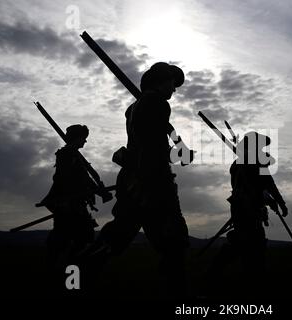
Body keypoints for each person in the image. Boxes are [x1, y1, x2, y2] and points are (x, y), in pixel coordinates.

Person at [86, 62, 192, 297]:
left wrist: (178, 151)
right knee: (175, 239)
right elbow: (152, 148)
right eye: (172, 84)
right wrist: (173, 159)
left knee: (119, 234)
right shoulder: (158, 104)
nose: (174, 90)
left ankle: (78, 274)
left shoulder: (135, 107)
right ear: (160, 81)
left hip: (134, 179)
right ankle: (178, 294)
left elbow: (153, 141)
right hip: (152, 181)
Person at [206, 132, 288, 297]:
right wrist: (278, 201)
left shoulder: (250, 162)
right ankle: (242, 276)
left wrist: (274, 201)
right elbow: (265, 185)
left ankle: (249, 276)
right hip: (244, 207)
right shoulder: (244, 164)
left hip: (246, 207)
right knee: (248, 241)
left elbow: (262, 186)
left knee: (248, 242)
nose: (262, 148)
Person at [38, 124, 99, 288]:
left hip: (74, 205)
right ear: (77, 138)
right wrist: (65, 200)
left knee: (79, 240)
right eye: (83, 138)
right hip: (68, 206)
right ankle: (65, 279)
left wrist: (99, 191)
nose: (85, 142)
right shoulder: (66, 155)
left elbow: (85, 179)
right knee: (67, 241)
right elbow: (62, 179)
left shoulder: (74, 156)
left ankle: (68, 278)